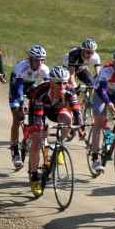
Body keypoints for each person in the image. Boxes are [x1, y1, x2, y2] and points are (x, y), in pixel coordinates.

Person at [25, 66, 83, 195]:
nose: (62, 86)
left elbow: (77, 111)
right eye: (58, 83)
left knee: (68, 118)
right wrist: (40, 130)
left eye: (64, 82)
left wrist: (80, 127)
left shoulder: (69, 90)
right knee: (37, 140)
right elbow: (38, 118)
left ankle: (59, 145)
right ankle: (34, 178)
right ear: (51, 82)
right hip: (38, 108)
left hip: (55, 109)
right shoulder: (41, 92)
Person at [8, 45, 50, 168]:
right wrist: (21, 104)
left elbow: (47, 88)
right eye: (37, 59)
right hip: (17, 87)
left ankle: (28, 138)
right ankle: (15, 151)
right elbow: (19, 90)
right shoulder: (21, 67)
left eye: (42, 59)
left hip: (31, 87)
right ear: (30, 59)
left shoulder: (45, 69)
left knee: (38, 112)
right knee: (17, 118)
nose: (40, 62)